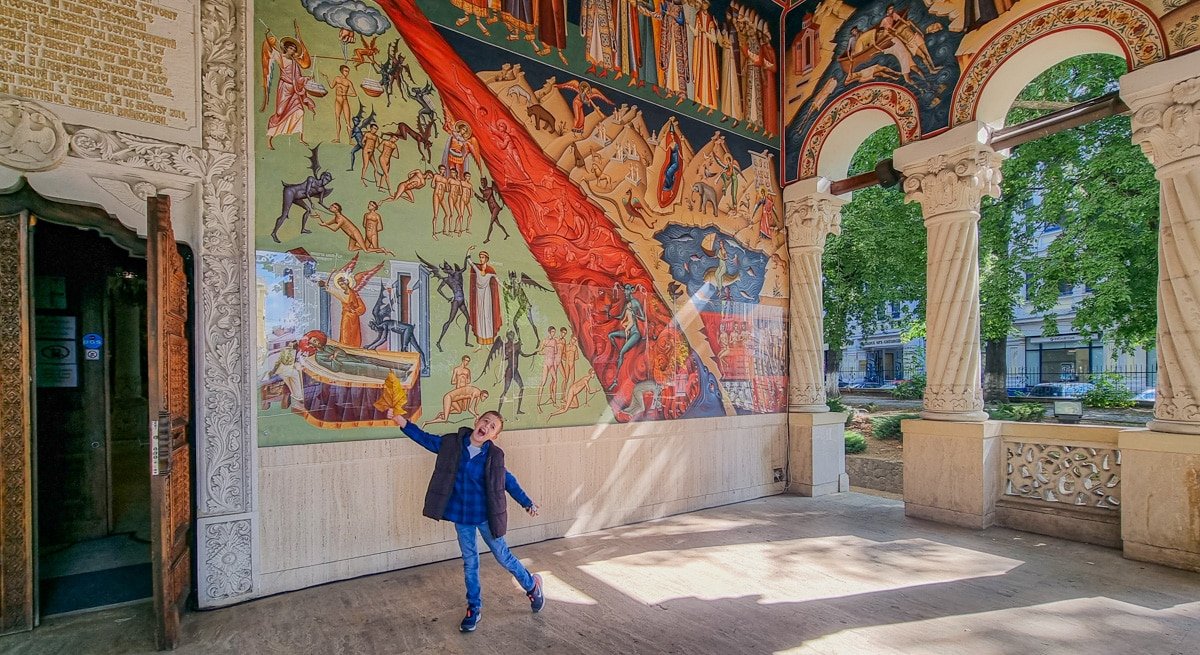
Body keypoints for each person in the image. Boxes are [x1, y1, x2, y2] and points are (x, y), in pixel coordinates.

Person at [388, 410, 545, 632]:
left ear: (495, 436)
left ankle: (532, 587)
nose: (486, 427)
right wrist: (402, 422)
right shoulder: (452, 444)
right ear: (477, 421)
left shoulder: (493, 456)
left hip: (485, 517)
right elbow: (425, 439)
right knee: (471, 563)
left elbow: (508, 481)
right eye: (485, 422)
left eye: (493, 427)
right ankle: (474, 608)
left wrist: (527, 502)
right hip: (462, 518)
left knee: (504, 557)